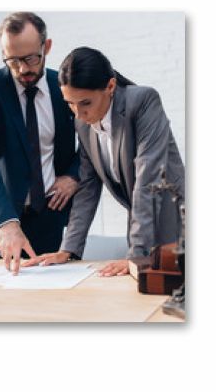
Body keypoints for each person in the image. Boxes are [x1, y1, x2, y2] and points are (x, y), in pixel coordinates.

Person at [23, 46, 185, 276]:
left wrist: (136, 255)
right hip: (142, 225)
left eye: (85, 103)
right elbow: (87, 186)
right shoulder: (83, 124)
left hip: (178, 222)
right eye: (70, 103)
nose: (78, 113)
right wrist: (68, 249)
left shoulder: (143, 101)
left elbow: (148, 180)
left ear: (110, 87)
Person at [0, 12, 79, 274]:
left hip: (49, 220)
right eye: (13, 61)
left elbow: (93, 137)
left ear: (46, 47)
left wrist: (73, 176)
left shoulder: (64, 87)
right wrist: (5, 222)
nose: (23, 69)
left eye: (30, 58)